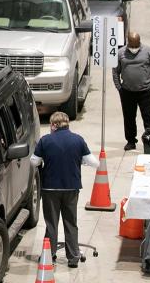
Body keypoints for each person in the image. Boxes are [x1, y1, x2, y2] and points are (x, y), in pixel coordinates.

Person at [31, 112, 99, 268]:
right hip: (71, 188)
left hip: (50, 189)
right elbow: (95, 163)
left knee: (51, 224)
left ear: (53, 125)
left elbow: (34, 162)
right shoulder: (78, 140)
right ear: (67, 124)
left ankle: (50, 255)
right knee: (71, 223)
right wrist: (80, 160)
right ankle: (73, 257)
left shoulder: (45, 140)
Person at [113, 32, 150, 151]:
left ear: (139, 42)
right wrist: (119, 88)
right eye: (131, 46)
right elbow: (115, 71)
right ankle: (131, 141)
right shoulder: (121, 53)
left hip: (146, 91)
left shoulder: (148, 51)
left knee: (148, 117)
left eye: (136, 45)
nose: (134, 48)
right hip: (127, 91)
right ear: (128, 43)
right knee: (129, 117)